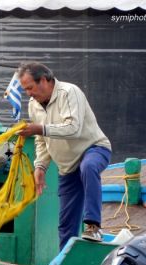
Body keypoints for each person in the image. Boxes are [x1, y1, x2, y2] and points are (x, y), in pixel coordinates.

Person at [17, 61, 112, 250]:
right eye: (25, 90)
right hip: (67, 166)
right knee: (66, 224)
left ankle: (93, 226)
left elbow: (73, 128)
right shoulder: (33, 105)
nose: (28, 93)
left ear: (43, 80)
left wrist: (40, 128)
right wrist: (40, 167)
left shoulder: (69, 92)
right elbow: (41, 141)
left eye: (30, 87)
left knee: (89, 167)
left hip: (94, 149)